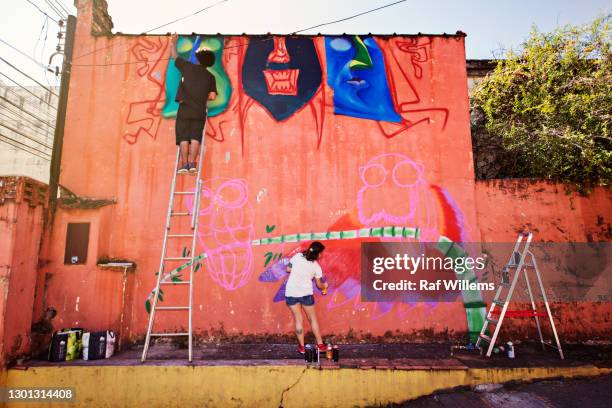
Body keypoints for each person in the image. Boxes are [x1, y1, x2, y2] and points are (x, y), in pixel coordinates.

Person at [169, 34, 217, 174]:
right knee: (195, 136)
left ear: (198, 58)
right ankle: (193, 164)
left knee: (184, 137)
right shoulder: (210, 77)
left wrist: (173, 43)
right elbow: (212, 96)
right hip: (199, 111)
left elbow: (175, 57)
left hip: (184, 109)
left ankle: (184, 165)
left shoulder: (187, 67)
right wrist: (202, 94)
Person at [285, 241, 329, 354]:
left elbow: (288, 269)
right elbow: (319, 286)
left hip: (291, 292)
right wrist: (325, 285)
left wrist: (297, 271)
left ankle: (302, 347)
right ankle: (320, 345)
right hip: (306, 294)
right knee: (313, 319)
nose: (321, 255)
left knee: (298, 320)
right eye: (321, 253)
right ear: (317, 254)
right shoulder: (316, 267)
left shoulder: (297, 256)